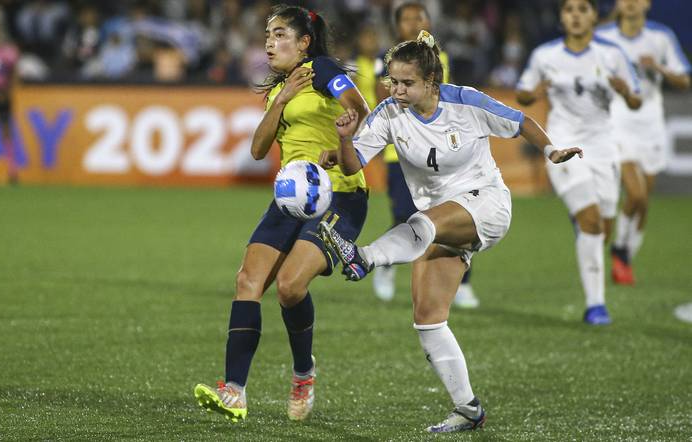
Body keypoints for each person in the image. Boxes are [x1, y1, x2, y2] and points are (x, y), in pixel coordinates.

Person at [318, 30, 582, 433]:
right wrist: (344, 139)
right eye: (393, 81)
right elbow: (354, 166)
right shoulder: (389, 112)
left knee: (420, 222)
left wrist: (552, 151)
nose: (397, 89)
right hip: (438, 221)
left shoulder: (466, 101)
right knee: (427, 319)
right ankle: (468, 409)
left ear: (430, 82)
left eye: (407, 83)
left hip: (487, 205)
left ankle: (365, 257)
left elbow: (521, 120)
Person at [193, 4, 370, 423]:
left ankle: (303, 373)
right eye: (267, 36)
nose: (269, 43)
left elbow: (358, 106)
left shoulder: (323, 70)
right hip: (290, 198)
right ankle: (234, 391)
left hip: (339, 195)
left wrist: (346, 130)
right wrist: (283, 97)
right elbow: (257, 150)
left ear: (303, 42)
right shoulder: (279, 89)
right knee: (247, 281)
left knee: (290, 287)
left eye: (279, 35)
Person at [516, 0, 642, 324]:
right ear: (561, 17)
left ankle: (588, 229)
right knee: (590, 220)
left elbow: (636, 98)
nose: (575, 15)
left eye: (582, 9)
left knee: (604, 227)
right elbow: (522, 94)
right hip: (562, 145)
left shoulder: (612, 54)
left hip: (603, 148)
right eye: (569, 9)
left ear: (594, 17)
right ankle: (596, 305)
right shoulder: (545, 56)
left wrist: (626, 92)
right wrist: (535, 93)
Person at [371, 2, 479, 308]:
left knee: (457, 215)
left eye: (420, 17)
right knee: (406, 215)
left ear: (429, 21)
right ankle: (387, 264)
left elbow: (448, 99)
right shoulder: (388, 57)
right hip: (403, 152)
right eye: (407, 18)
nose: (415, 22)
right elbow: (383, 96)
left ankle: (464, 283)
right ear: (397, 26)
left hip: (443, 150)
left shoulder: (440, 57)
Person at [596, 0, 690, 285]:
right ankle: (620, 252)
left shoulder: (661, 36)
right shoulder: (605, 36)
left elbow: (684, 80)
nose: (631, 3)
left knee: (644, 201)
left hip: (650, 121)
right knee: (634, 194)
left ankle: (625, 254)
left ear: (647, 4)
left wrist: (659, 68)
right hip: (617, 117)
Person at [0, 17, 19, 185]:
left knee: (6, 130)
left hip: (0, 92)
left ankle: (12, 170)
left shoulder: (6, 53)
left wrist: (8, 91)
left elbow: (13, 74)